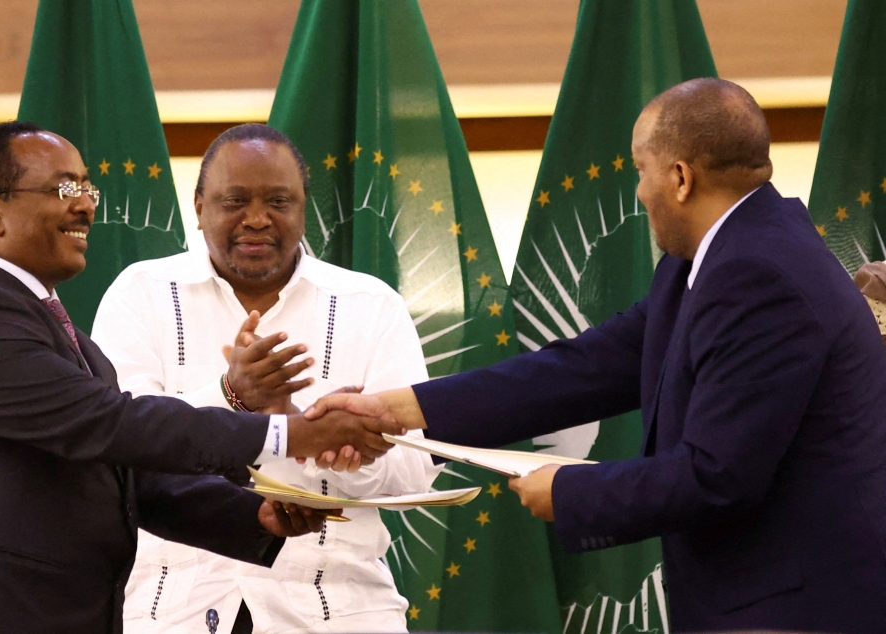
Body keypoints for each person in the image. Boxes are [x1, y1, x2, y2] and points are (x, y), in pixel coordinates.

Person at [307, 78, 886, 632]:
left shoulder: (758, 274)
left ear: (680, 177)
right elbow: (581, 369)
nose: (640, 190)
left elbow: (717, 476)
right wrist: (396, 410)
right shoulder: (715, 260)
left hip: (797, 614)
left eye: (641, 170)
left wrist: (568, 492)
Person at [0, 122, 404, 634]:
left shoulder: (50, 324)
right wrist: (293, 434)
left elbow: (123, 471)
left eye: (87, 188)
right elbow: (114, 425)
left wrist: (255, 516)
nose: (87, 205)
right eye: (65, 188)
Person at [92, 123, 434, 634]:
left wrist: (326, 443)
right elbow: (120, 450)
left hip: (337, 609)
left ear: (302, 209)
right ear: (200, 205)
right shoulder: (141, 293)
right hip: (171, 610)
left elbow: (415, 473)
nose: (257, 219)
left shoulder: (371, 305)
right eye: (235, 201)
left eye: (279, 201)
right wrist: (233, 398)